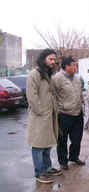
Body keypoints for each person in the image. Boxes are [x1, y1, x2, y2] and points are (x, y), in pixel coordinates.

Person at [26, 49, 62, 184]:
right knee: (38, 145)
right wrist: (41, 111)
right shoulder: (34, 75)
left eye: (54, 59)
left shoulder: (48, 75)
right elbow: (32, 96)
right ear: (43, 59)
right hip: (40, 117)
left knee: (47, 144)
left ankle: (47, 168)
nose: (53, 62)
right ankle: (39, 172)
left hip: (49, 115)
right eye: (50, 59)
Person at [52, 56, 85, 170]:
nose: (75, 67)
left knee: (77, 139)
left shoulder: (77, 78)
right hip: (64, 114)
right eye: (73, 65)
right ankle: (63, 161)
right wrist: (57, 110)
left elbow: (81, 93)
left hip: (77, 113)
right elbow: (53, 95)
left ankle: (74, 157)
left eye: (76, 65)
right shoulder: (57, 78)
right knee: (62, 140)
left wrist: (82, 105)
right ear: (66, 66)